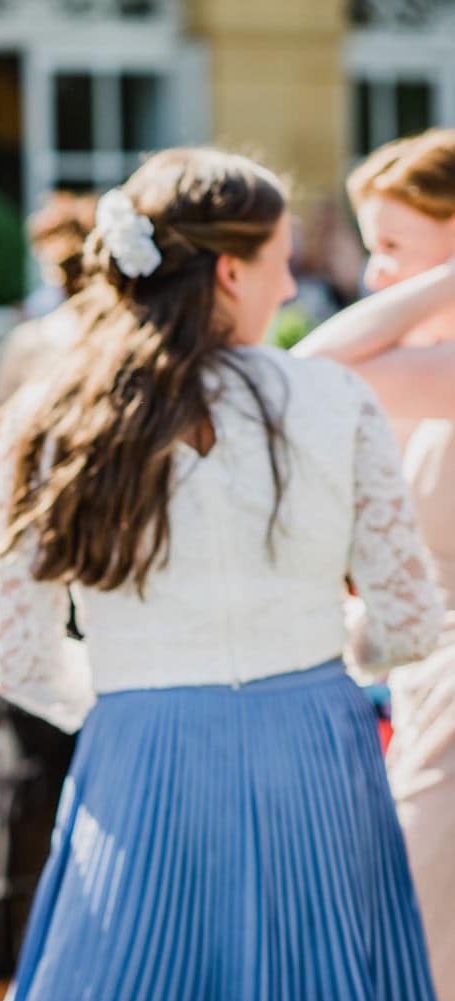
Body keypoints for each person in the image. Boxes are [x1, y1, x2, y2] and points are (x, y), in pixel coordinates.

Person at [0, 148, 443, 998]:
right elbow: (409, 622)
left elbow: (22, 663)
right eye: (284, 262)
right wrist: (330, 655)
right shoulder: (334, 400)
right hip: (314, 745)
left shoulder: (44, 418)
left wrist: (139, 698)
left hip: (139, 749)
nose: (291, 289)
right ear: (230, 269)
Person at [292, 127, 455, 997]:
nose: (375, 273)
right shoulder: (428, 369)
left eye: (396, 246)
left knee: (417, 948)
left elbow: (315, 361)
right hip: (427, 685)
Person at [0, 191, 95, 1001]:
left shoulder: (39, 341)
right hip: (82, 582)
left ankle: (4, 967)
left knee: (23, 794)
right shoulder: (97, 343)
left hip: (38, 578)